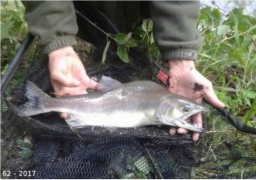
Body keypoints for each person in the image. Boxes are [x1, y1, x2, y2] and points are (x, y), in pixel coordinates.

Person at [21, 1, 225, 141]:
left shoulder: (159, 97)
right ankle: (45, 103)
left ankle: (45, 103)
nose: (186, 113)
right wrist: (59, 47)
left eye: (184, 110)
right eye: (184, 110)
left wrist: (182, 62)